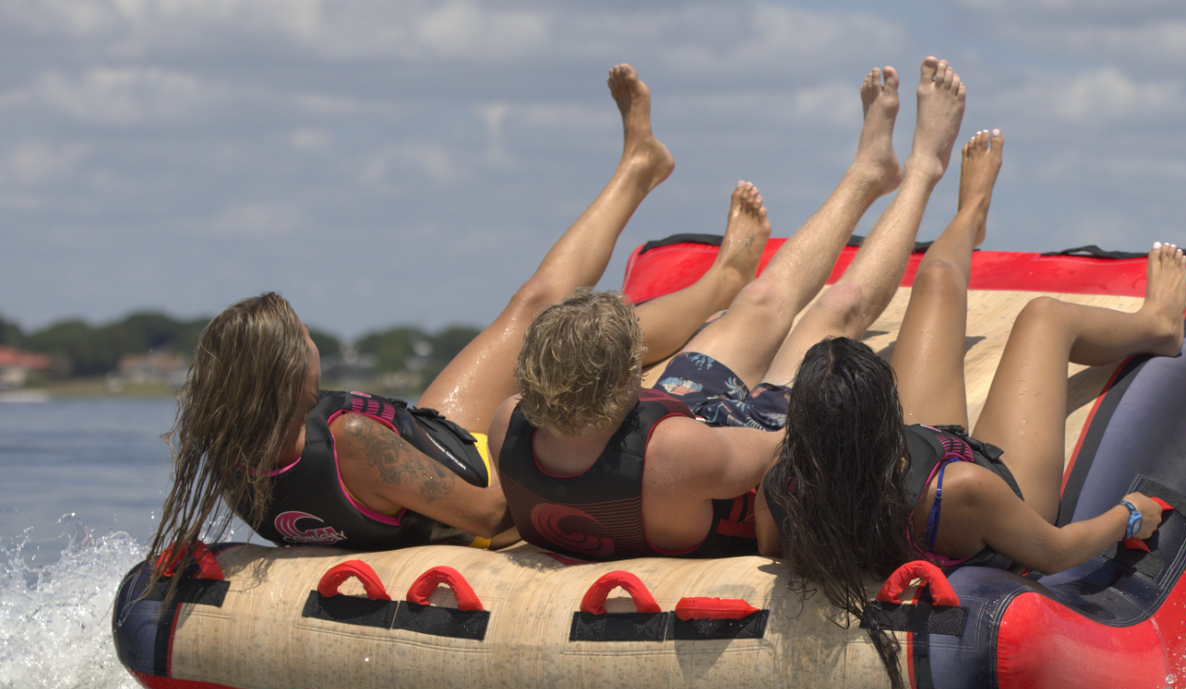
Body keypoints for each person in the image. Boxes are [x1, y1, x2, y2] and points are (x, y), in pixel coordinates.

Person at [150, 64, 768, 571]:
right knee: (588, 349)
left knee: (534, 305)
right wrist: (561, 442)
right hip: (493, 464)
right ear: (289, 374)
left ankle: (639, 168)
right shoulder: (349, 441)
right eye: (305, 338)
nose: (314, 343)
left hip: (434, 446)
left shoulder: (233, 448)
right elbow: (493, 515)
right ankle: (724, 279)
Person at [758, 128, 1186, 689]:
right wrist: (1131, 516)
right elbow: (1056, 551)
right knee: (1043, 318)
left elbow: (769, 551)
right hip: (976, 497)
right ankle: (1160, 325)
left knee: (934, 279)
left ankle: (971, 214)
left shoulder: (783, 484)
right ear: (886, 418)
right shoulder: (961, 491)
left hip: (915, 465)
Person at [494, 57, 968, 561]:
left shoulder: (512, 422)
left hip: (678, 442)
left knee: (758, 302)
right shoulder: (674, 453)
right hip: (712, 461)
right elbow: (786, 446)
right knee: (837, 311)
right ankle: (923, 170)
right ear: (628, 379)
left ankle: (867, 173)